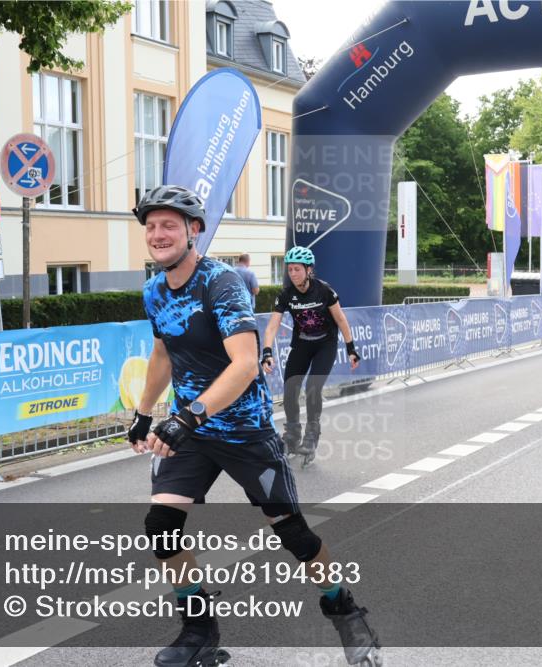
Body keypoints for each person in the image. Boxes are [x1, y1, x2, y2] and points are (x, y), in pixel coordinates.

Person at [128, 186, 381, 667]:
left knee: (293, 534)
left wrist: (188, 415)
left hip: (244, 432)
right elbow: (163, 353)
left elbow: (244, 364)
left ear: (193, 230)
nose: (158, 234)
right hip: (193, 433)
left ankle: (346, 612)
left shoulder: (220, 282)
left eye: (168, 225)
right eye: (151, 226)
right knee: (161, 526)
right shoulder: (154, 290)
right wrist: (144, 413)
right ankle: (199, 629)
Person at [260, 246, 361, 465]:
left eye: (297, 269)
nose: (293, 274)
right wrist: (266, 352)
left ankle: (311, 435)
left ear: (308, 270)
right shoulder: (286, 295)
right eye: (290, 270)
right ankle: (292, 434)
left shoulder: (324, 290)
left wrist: (351, 348)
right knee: (290, 389)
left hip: (325, 344)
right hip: (303, 345)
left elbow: (341, 319)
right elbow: (271, 327)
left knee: (312, 388)